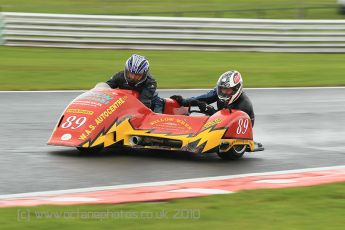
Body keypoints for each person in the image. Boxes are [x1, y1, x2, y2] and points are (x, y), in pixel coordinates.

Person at [171, 70, 255, 127]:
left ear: (236, 89)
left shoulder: (244, 104)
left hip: (239, 128)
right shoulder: (219, 93)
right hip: (220, 121)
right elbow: (202, 98)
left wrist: (209, 110)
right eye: (222, 89)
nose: (224, 93)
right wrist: (184, 101)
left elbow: (228, 122)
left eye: (228, 90)